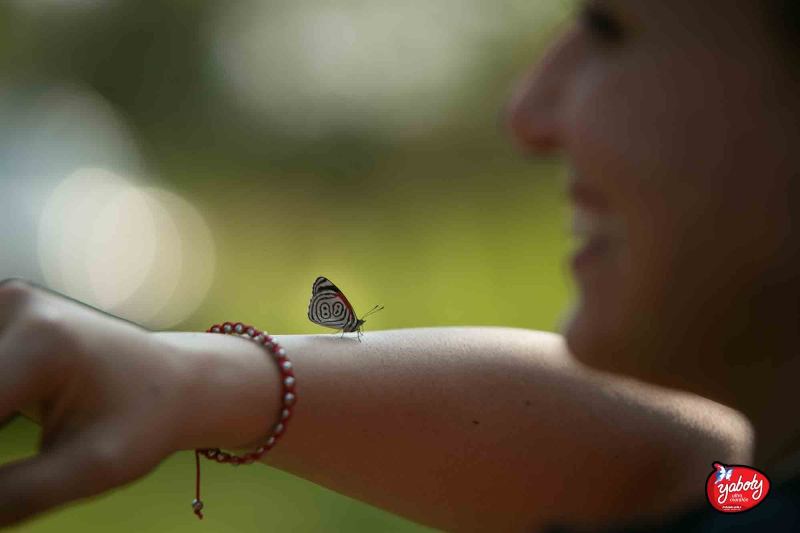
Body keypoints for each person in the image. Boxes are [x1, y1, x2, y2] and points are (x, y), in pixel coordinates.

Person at [0, 0, 798, 531]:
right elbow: (676, 462)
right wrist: (200, 379)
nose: (528, 114)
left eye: (610, 27)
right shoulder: (752, 484)